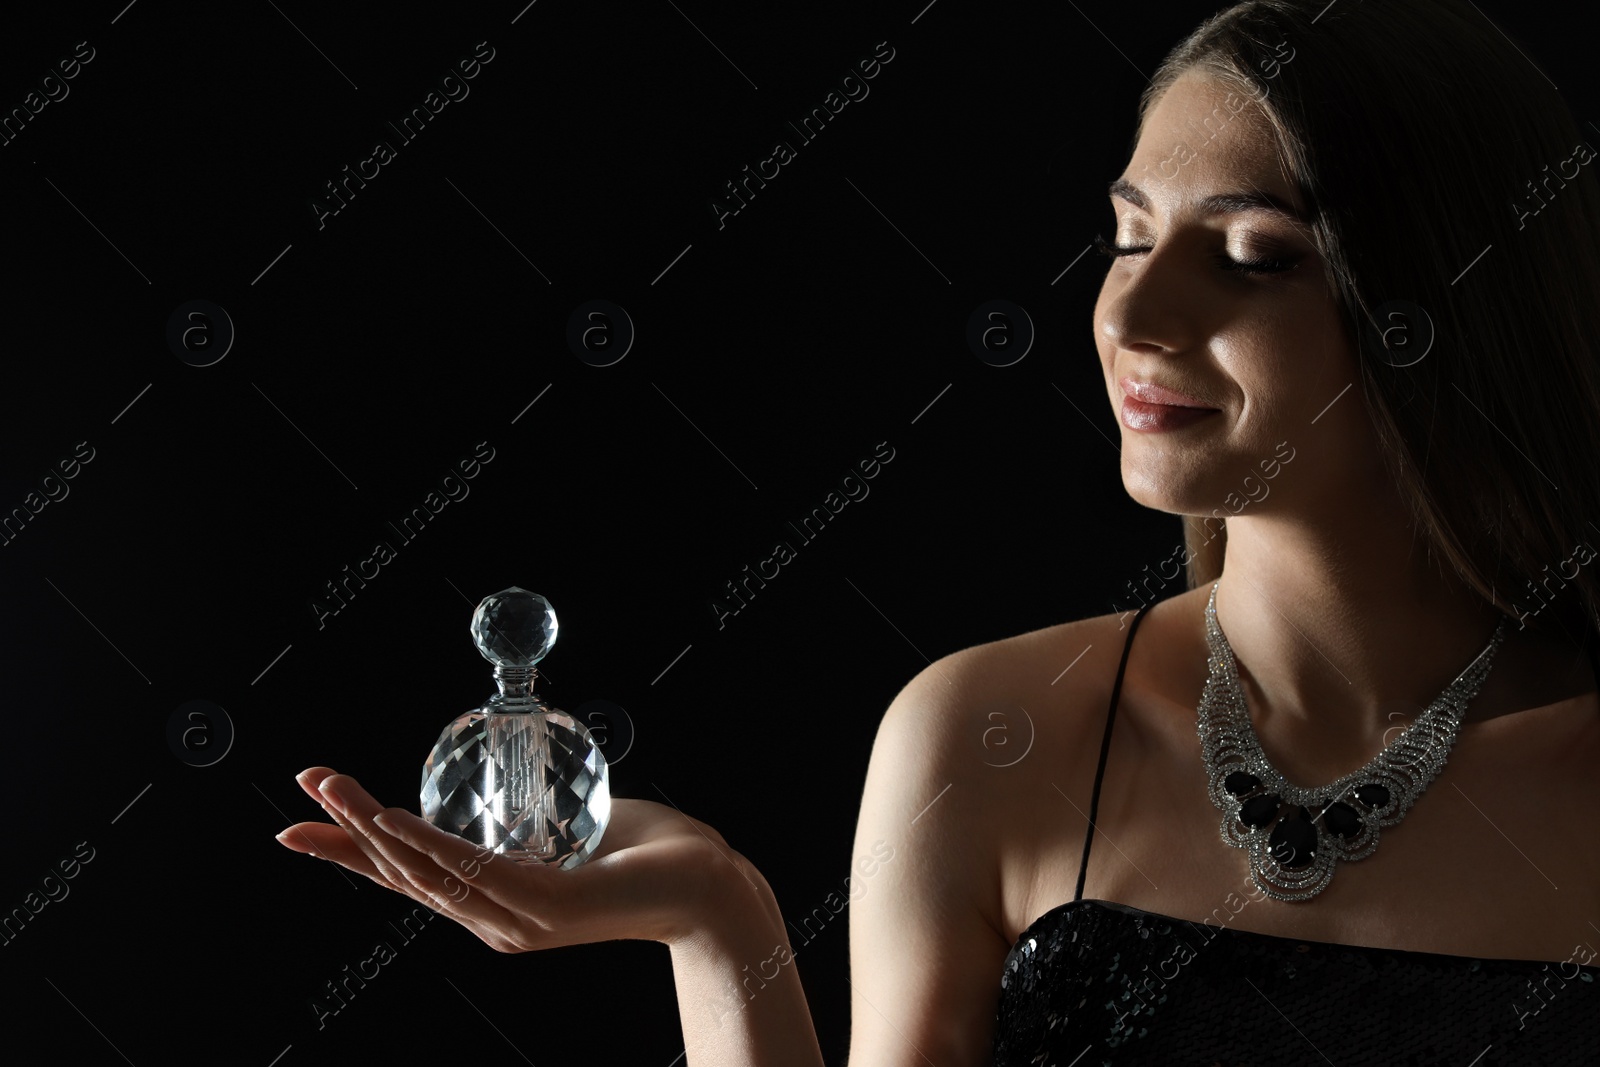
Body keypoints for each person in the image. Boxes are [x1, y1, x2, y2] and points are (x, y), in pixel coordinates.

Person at [275, 0, 1600, 1061]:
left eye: (1250, 256)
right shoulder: (985, 735)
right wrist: (720, 927)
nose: (1132, 322)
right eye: (1128, 242)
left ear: (1445, 307)